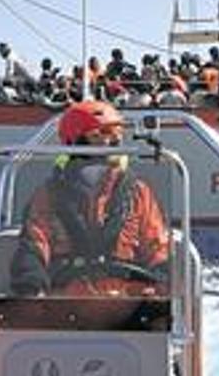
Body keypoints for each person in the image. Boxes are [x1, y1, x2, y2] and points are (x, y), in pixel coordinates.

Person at [11, 101, 170, 297]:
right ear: (75, 140)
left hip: (128, 303)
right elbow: (35, 243)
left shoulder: (137, 192)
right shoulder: (50, 195)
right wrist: (31, 285)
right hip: (65, 303)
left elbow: (157, 246)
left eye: (116, 134)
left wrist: (161, 285)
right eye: (99, 135)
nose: (112, 142)